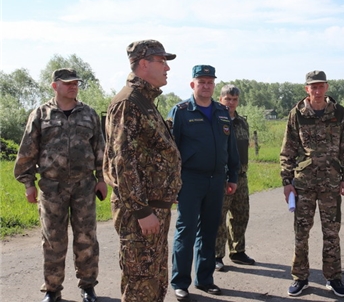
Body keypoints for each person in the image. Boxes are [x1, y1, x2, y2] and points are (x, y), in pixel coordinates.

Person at [14, 68, 107, 302]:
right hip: (51, 187)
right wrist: (28, 183)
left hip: (84, 186)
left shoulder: (89, 114)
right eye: (67, 83)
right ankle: (53, 289)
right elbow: (27, 151)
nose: (73, 86)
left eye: (75, 83)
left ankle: (88, 286)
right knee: (53, 240)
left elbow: (100, 149)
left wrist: (102, 179)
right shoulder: (41, 114)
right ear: (55, 86)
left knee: (86, 238)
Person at [102, 39, 182, 302]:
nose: (167, 68)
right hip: (142, 213)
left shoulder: (144, 100)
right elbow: (122, 162)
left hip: (153, 208)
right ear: (144, 64)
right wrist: (141, 210)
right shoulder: (129, 102)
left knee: (155, 281)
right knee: (140, 285)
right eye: (162, 61)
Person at [167, 65, 240, 302]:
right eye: (202, 82)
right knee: (186, 231)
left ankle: (205, 279)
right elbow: (171, 150)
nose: (206, 86)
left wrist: (233, 177)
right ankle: (180, 282)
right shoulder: (181, 111)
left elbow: (231, 148)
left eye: (210, 82)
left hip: (216, 179)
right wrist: (173, 183)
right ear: (192, 85)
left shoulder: (221, 111)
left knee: (209, 230)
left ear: (214, 85)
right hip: (190, 180)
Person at [280, 70, 344, 298]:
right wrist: (286, 181)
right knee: (301, 232)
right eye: (313, 87)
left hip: (331, 182)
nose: (317, 90)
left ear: (327, 87)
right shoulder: (297, 113)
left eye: (321, 86)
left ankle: (333, 277)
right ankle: (300, 277)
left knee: (332, 232)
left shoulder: (338, 112)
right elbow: (288, 149)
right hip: (304, 183)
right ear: (307, 89)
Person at [215, 84, 255, 271]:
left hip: (241, 175)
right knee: (218, 218)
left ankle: (237, 251)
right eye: (227, 99)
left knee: (240, 214)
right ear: (220, 99)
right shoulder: (214, 119)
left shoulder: (241, 122)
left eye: (234, 99)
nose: (231, 103)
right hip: (221, 177)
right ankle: (216, 255)